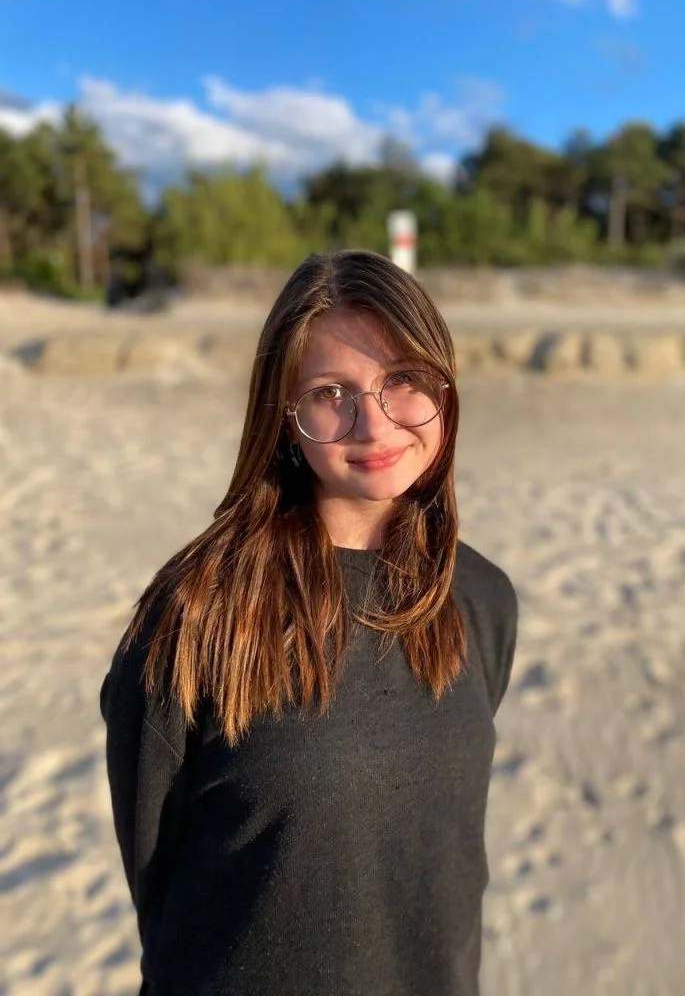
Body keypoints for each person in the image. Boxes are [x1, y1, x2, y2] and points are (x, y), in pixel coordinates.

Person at [100, 249, 519, 996]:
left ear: (445, 389)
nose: (375, 424)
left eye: (404, 379)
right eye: (331, 393)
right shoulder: (196, 613)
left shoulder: (479, 597)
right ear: (285, 419)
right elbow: (154, 874)